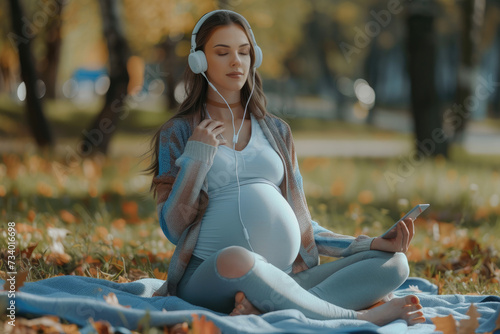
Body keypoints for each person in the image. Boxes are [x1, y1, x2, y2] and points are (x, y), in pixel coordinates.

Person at [147, 9, 425, 326]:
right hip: (210, 276)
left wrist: (371, 243)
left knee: (393, 264)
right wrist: (197, 158)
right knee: (240, 258)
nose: (236, 61)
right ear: (199, 61)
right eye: (222, 52)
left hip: (281, 277)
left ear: (255, 58)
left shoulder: (277, 132)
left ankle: (266, 305)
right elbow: (173, 227)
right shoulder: (179, 133)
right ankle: (356, 316)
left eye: (244, 51)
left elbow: (304, 224)